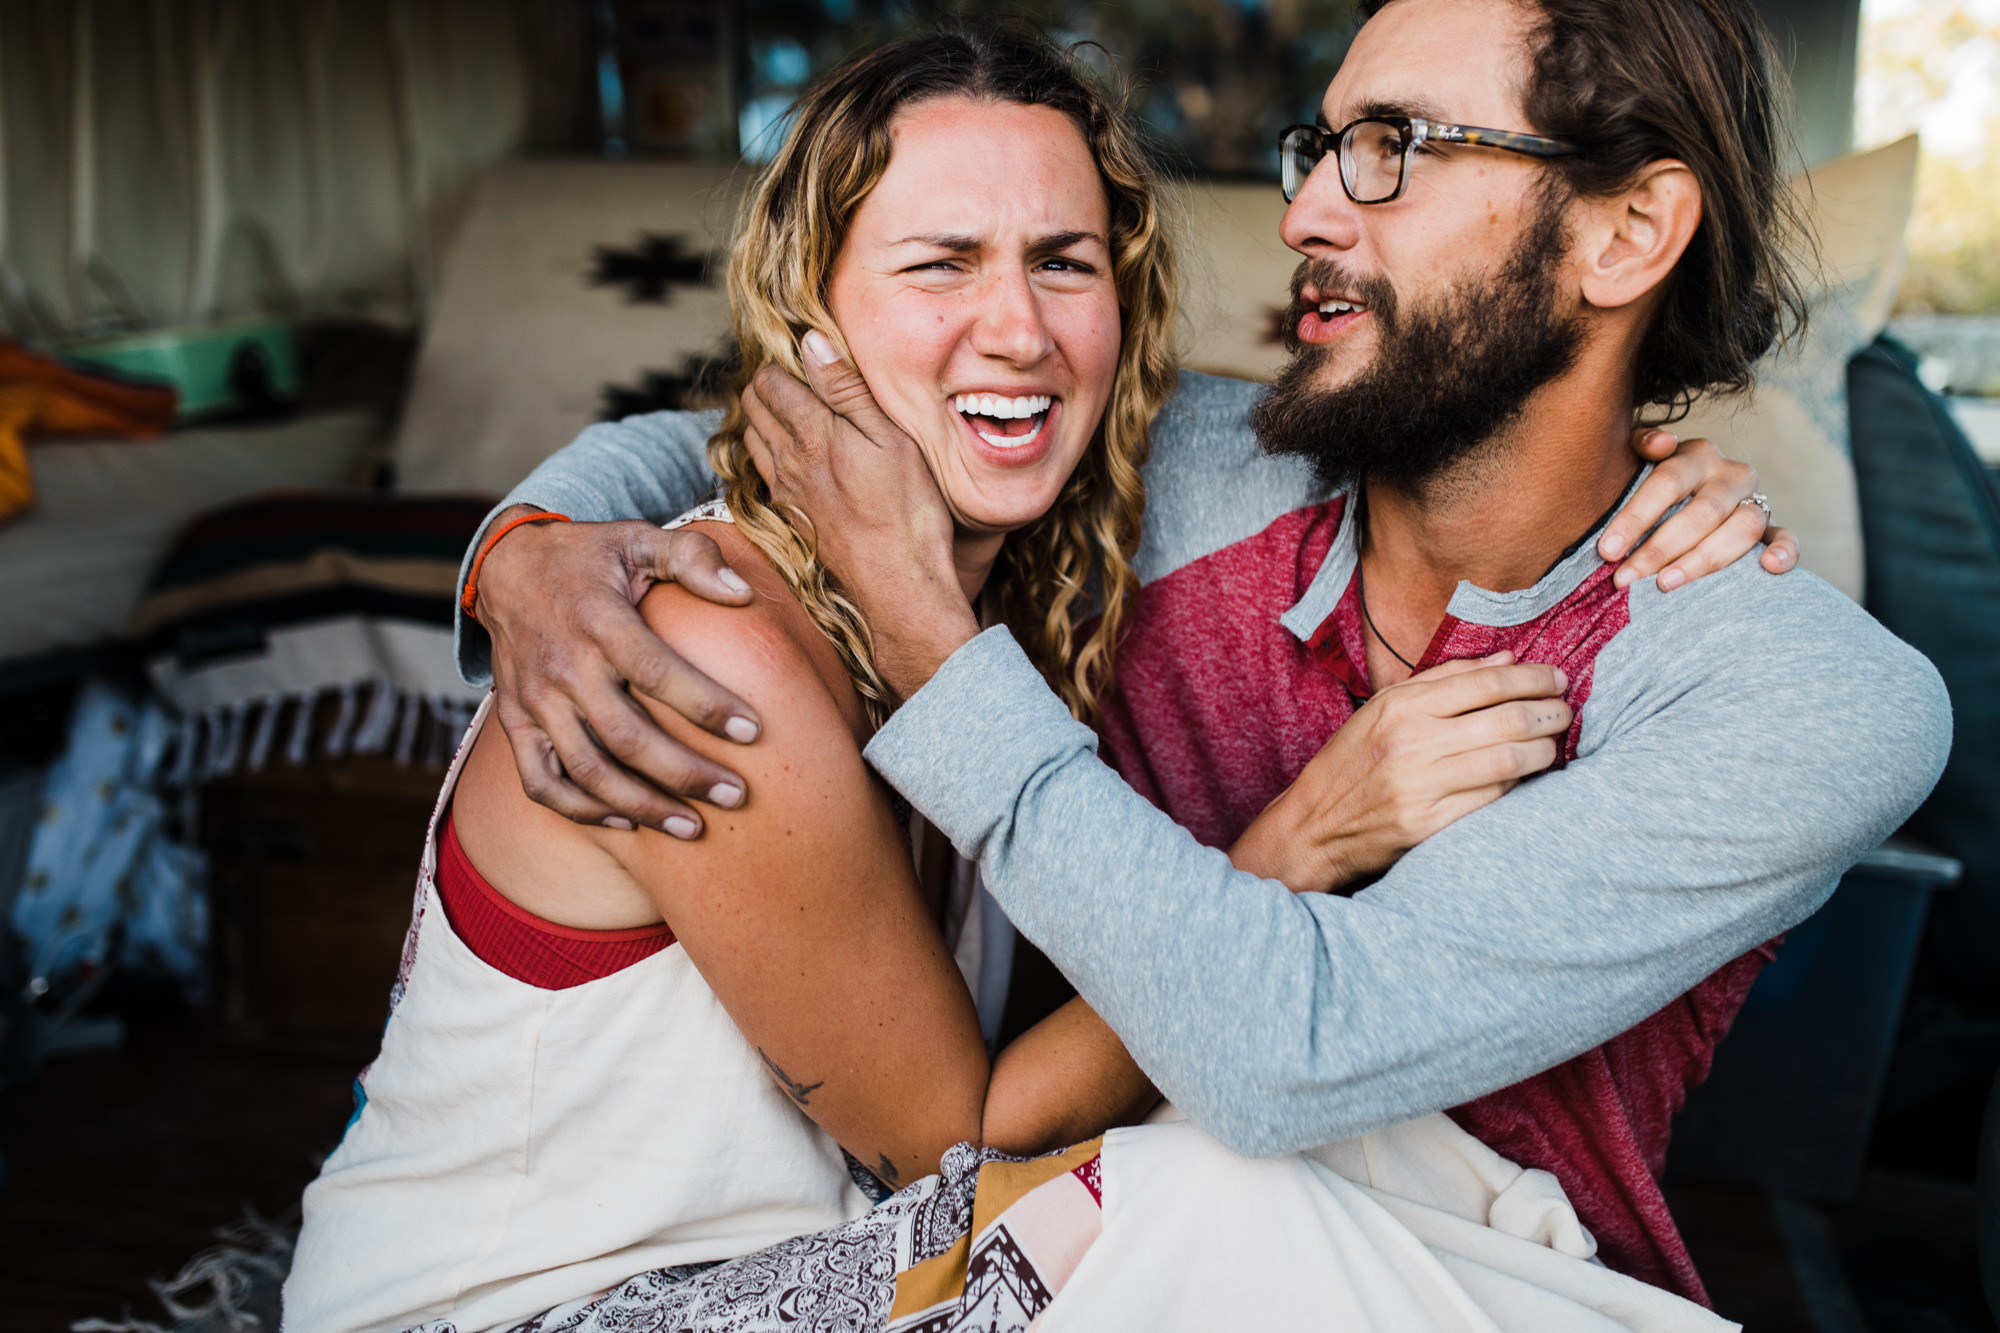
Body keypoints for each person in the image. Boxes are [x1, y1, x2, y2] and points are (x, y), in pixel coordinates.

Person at [459, 0, 1950, 1316]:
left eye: (1395, 146)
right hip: (1085, 1237)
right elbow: (792, 435)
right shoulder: (1194, 475)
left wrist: (929, 634)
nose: (1304, 212)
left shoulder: (1807, 698)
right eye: (1325, 145)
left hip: (1468, 1282)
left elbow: (1291, 1046)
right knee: (1193, 1199)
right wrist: (526, 551)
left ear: (1627, 231)